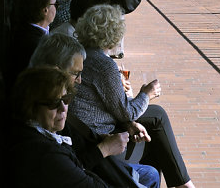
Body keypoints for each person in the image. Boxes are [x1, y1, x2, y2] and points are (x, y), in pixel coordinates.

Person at [72, 5, 196, 188]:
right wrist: (147, 93)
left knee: (155, 125)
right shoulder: (104, 65)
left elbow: (112, 106)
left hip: (86, 134)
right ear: (113, 34)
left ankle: (177, 184)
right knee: (157, 125)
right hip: (100, 142)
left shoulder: (83, 54)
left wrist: (129, 120)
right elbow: (126, 112)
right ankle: (183, 185)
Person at [30, 35, 160, 188]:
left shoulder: (55, 111)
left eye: (66, 100)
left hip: (99, 163)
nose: (79, 80)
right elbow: (77, 172)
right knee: (158, 118)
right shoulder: (45, 143)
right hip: (96, 170)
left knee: (151, 173)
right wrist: (104, 148)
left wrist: (122, 128)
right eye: (76, 73)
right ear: (57, 70)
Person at [9, 67, 109, 187]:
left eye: (66, 99)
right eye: (53, 103)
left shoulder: (41, 134)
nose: (63, 108)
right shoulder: (47, 154)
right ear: (31, 107)